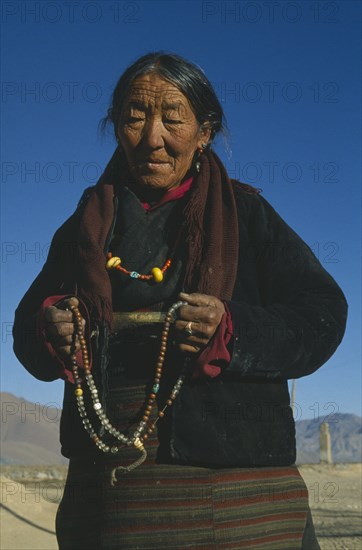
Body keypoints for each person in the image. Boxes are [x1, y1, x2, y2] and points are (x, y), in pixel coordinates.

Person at [13, 52, 347, 550]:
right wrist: (52, 325)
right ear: (116, 127)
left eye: (172, 118)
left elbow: (323, 313)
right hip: (110, 491)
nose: (152, 137)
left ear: (204, 131)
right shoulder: (84, 229)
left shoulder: (248, 214)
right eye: (134, 117)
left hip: (242, 494)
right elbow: (24, 330)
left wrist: (233, 331)